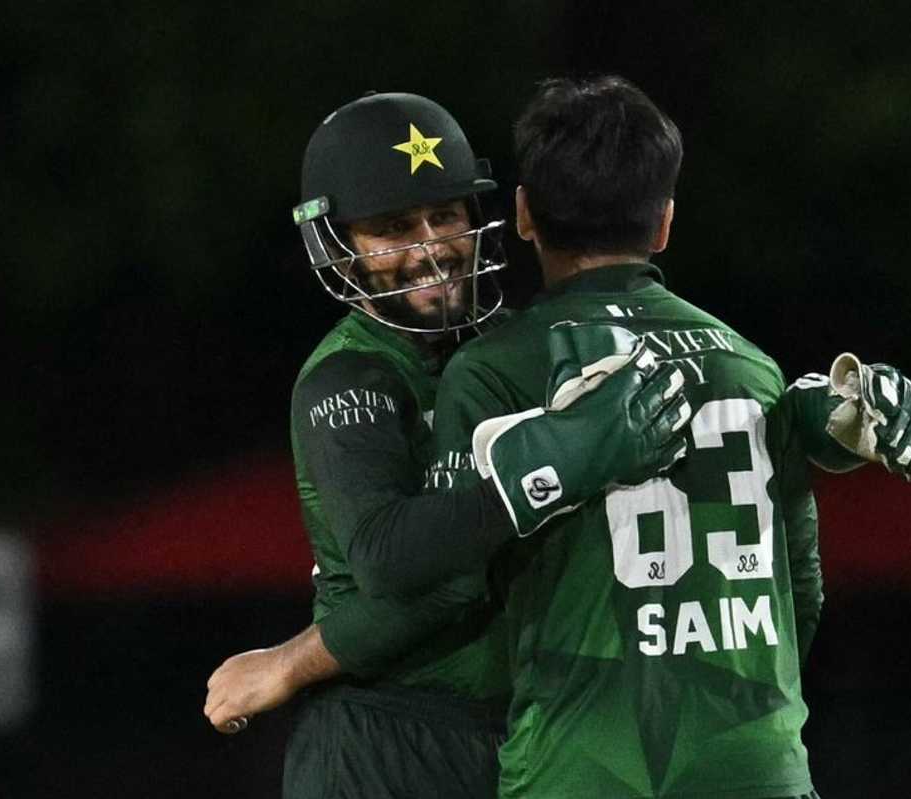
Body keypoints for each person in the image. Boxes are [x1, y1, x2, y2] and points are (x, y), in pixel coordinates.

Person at [424, 75, 911, 798]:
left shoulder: (491, 372)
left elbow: (445, 602)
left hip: (578, 771)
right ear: (663, 222)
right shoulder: (750, 367)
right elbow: (803, 597)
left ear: (524, 214)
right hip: (758, 768)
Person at [203, 91, 691, 799]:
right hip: (380, 740)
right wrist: (291, 662)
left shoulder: (513, 345)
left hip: (526, 732)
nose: (432, 245)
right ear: (337, 245)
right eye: (394, 227)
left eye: (446, 214)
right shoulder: (349, 377)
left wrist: (806, 416)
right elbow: (399, 564)